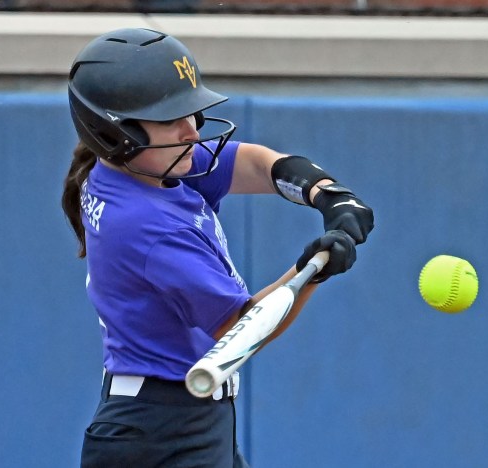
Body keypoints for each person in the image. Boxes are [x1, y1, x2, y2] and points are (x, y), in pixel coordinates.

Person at [61, 28, 373, 468]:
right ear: (117, 132)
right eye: (170, 118)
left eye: (189, 112)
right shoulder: (147, 225)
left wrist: (326, 194)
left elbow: (256, 164)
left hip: (181, 418)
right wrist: (314, 270)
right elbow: (241, 330)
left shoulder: (143, 166)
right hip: (160, 433)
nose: (192, 131)